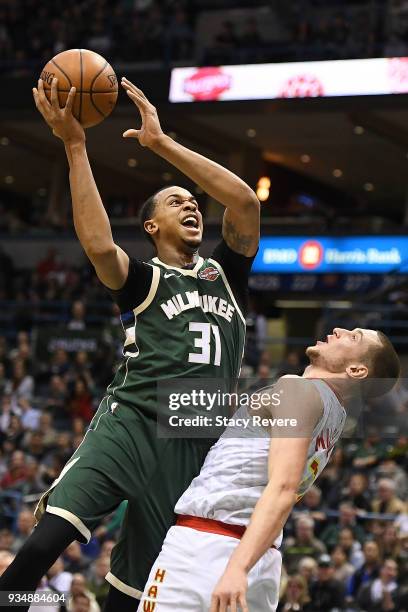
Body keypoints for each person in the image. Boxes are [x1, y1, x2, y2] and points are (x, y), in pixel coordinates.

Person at [0, 78, 259, 611]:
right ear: (151, 224)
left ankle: (56, 607)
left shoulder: (226, 274)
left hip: (192, 442)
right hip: (133, 421)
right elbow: (96, 243)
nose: (191, 206)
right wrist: (76, 146)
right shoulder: (142, 280)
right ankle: (15, 603)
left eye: (193, 202)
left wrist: (161, 143)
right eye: (174, 201)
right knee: (43, 546)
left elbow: (245, 202)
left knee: (129, 596)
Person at [137, 327, 400, 611]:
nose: (339, 330)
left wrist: (237, 567)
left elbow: (283, 488)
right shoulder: (335, 418)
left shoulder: (297, 388)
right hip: (261, 557)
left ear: (357, 370)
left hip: (210, 546)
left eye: (353, 337)